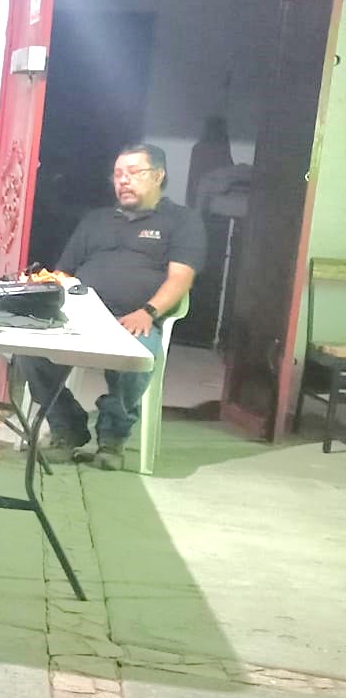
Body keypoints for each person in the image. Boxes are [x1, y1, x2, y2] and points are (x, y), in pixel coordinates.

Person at [21, 143, 206, 470]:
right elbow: (64, 272)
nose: (123, 180)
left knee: (137, 357)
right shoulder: (96, 220)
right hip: (80, 314)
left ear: (158, 176)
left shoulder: (182, 221)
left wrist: (148, 312)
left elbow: (180, 279)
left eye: (134, 172)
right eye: (118, 174)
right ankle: (67, 427)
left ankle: (112, 438)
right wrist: (42, 287)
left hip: (136, 316)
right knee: (29, 352)